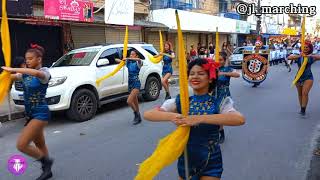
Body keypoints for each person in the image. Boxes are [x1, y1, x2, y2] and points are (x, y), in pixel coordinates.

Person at [143, 58, 245, 180]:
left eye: (201, 73)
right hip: (186, 160)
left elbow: (239, 119)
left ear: (210, 78)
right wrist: (173, 116)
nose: (195, 77)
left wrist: (199, 119)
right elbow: (148, 114)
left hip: (211, 161)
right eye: (192, 74)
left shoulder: (219, 101)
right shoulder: (181, 102)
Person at [1, 44, 53, 180]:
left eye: (30, 59)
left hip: (41, 114)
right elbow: (9, 77)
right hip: (30, 114)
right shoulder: (24, 74)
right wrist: (6, 75)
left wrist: (14, 69)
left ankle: (46, 162)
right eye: (26, 59)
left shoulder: (45, 73)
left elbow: (35, 73)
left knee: (22, 145)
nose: (27, 61)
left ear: (39, 59)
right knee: (39, 144)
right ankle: (47, 171)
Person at [288, 41, 320, 116]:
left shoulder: (311, 57)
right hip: (298, 77)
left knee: (305, 93)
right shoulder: (298, 55)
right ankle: (301, 107)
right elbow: (289, 57)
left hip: (308, 77)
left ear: (309, 49)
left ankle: (303, 109)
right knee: (300, 94)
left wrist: (310, 56)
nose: (305, 48)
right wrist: (300, 56)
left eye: (307, 47)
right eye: (304, 47)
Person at [216, 52, 240, 144]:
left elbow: (237, 75)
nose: (218, 61)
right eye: (217, 59)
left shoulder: (227, 69)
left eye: (221, 59)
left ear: (224, 60)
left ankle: (221, 132)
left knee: (220, 114)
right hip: (213, 93)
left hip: (223, 94)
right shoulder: (212, 68)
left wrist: (223, 73)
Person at [117, 50, 143, 125]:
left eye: (132, 54)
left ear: (136, 55)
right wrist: (117, 59)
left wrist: (127, 58)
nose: (131, 55)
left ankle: (136, 114)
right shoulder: (129, 62)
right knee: (135, 101)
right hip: (130, 83)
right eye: (130, 54)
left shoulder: (138, 63)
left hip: (136, 83)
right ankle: (139, 117)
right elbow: (120, 61)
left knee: (129, 101)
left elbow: (139, 60)